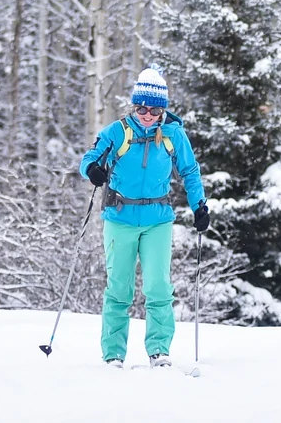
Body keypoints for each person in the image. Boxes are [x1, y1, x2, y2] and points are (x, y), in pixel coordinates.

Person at [79, 67, 209, 368]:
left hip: (157, 220)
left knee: (158, 286)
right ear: (134, 106)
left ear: (162, 109)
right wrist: (92, 170)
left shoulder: (174, 134)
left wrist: (199, 205)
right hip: (119, 218)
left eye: (154, 109)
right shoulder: (117, 131)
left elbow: (189, 171)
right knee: (118, 288)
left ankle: (159, 350)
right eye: (141, 108)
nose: (147, 114)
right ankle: (113, 354)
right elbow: (88, 158)